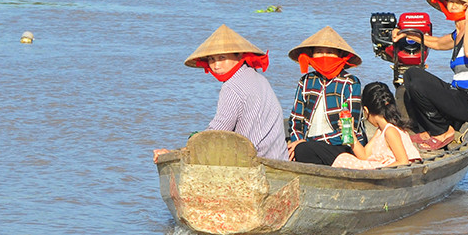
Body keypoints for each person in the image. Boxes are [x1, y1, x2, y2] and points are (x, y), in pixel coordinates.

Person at [152, 24, 287, 162]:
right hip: (278, 159)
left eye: (222, 58)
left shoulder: (231, 86)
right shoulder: (259, 79)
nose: (216, 66)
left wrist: (175, 153)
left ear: (239, 55)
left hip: (256, 162)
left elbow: (218, 131)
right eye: (211, 59)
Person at [394, 0, 468, 150]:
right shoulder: (458, 33)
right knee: (411, 76)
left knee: (416, 80)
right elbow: (437, 43)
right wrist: (406, 34)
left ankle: (442, 131)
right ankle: (430, 130)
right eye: (450, 1)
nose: (452, 5)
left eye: (460, 2)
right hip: (458, 94)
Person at [286, 26, 367, 165]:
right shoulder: (305, 82)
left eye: (330, 52)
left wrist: (309, 143)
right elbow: (295, 120)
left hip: (340, 145)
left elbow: (350, 129)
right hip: (307, 144)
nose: (324, 57)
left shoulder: (350, 83)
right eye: (318, 52)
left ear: (340, 55)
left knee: (303, 150)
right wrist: (297, 141)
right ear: (311, 55)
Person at [332, 82, 422, 170]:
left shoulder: (390, 131)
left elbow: (403, 162)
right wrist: (351, 134)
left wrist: (377, 169)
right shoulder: (381, 131)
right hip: (383, 167)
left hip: (389, 170)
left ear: (366, 110)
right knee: (344, 157)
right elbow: (364, 155)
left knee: (344, 160)